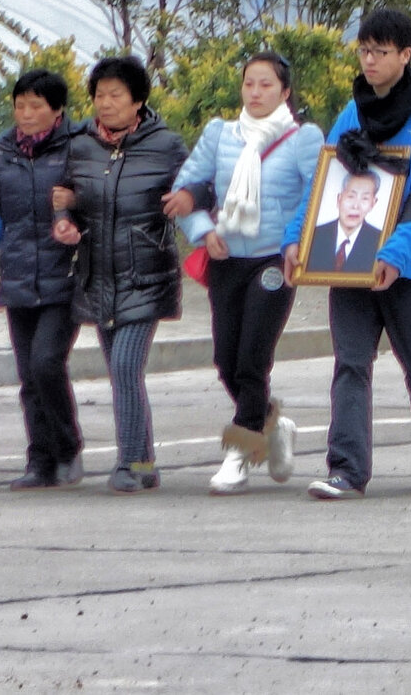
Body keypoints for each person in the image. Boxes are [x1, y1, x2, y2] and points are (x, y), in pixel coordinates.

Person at [288, 8, 411, 498]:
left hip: (408, 266)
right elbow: (324, 182)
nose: (369, 60)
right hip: (347, 264)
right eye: (364, 50)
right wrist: (296, 239)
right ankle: (346, 469)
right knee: (350, 362)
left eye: (380, 52)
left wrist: (395, 255)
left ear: (405, 55)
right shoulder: (353, 112)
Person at [164, 51, 324, 494]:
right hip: (226, 258)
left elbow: (317, 195)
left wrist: (296, 240)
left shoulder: (303, 139)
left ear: (285, 91)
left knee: (254, 358)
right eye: (249, 84)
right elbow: (183, 192)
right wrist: (202, 230)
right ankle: (274, 424)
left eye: (266, 85)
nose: (255, 92)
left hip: (275, 259)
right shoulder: (220, 134)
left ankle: (238, 453)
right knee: (226, 360)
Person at [58, 55, 187, 493]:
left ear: (139, 101)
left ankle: (131, 461)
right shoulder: (79, 146)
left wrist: (193, 202)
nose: (106, 104)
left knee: (127, 365)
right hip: (98, 273)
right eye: (99, 95)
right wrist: (64, 215)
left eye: (116, 95)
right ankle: (142, 459)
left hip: (145, 273)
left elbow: (197, 187)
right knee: (119, 369)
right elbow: (66, 194)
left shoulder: (166, 144)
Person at [0, 69, 85, 489]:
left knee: (47, 363)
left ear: (57, 110)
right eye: (20, 106)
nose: (26, 114)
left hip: (63, 275)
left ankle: (68, 450)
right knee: (29, 375)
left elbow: (101, 199)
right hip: (17, 278)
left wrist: (76, 202)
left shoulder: (79, 148)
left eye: (36, 106)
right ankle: (40, 460)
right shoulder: (6, 152)